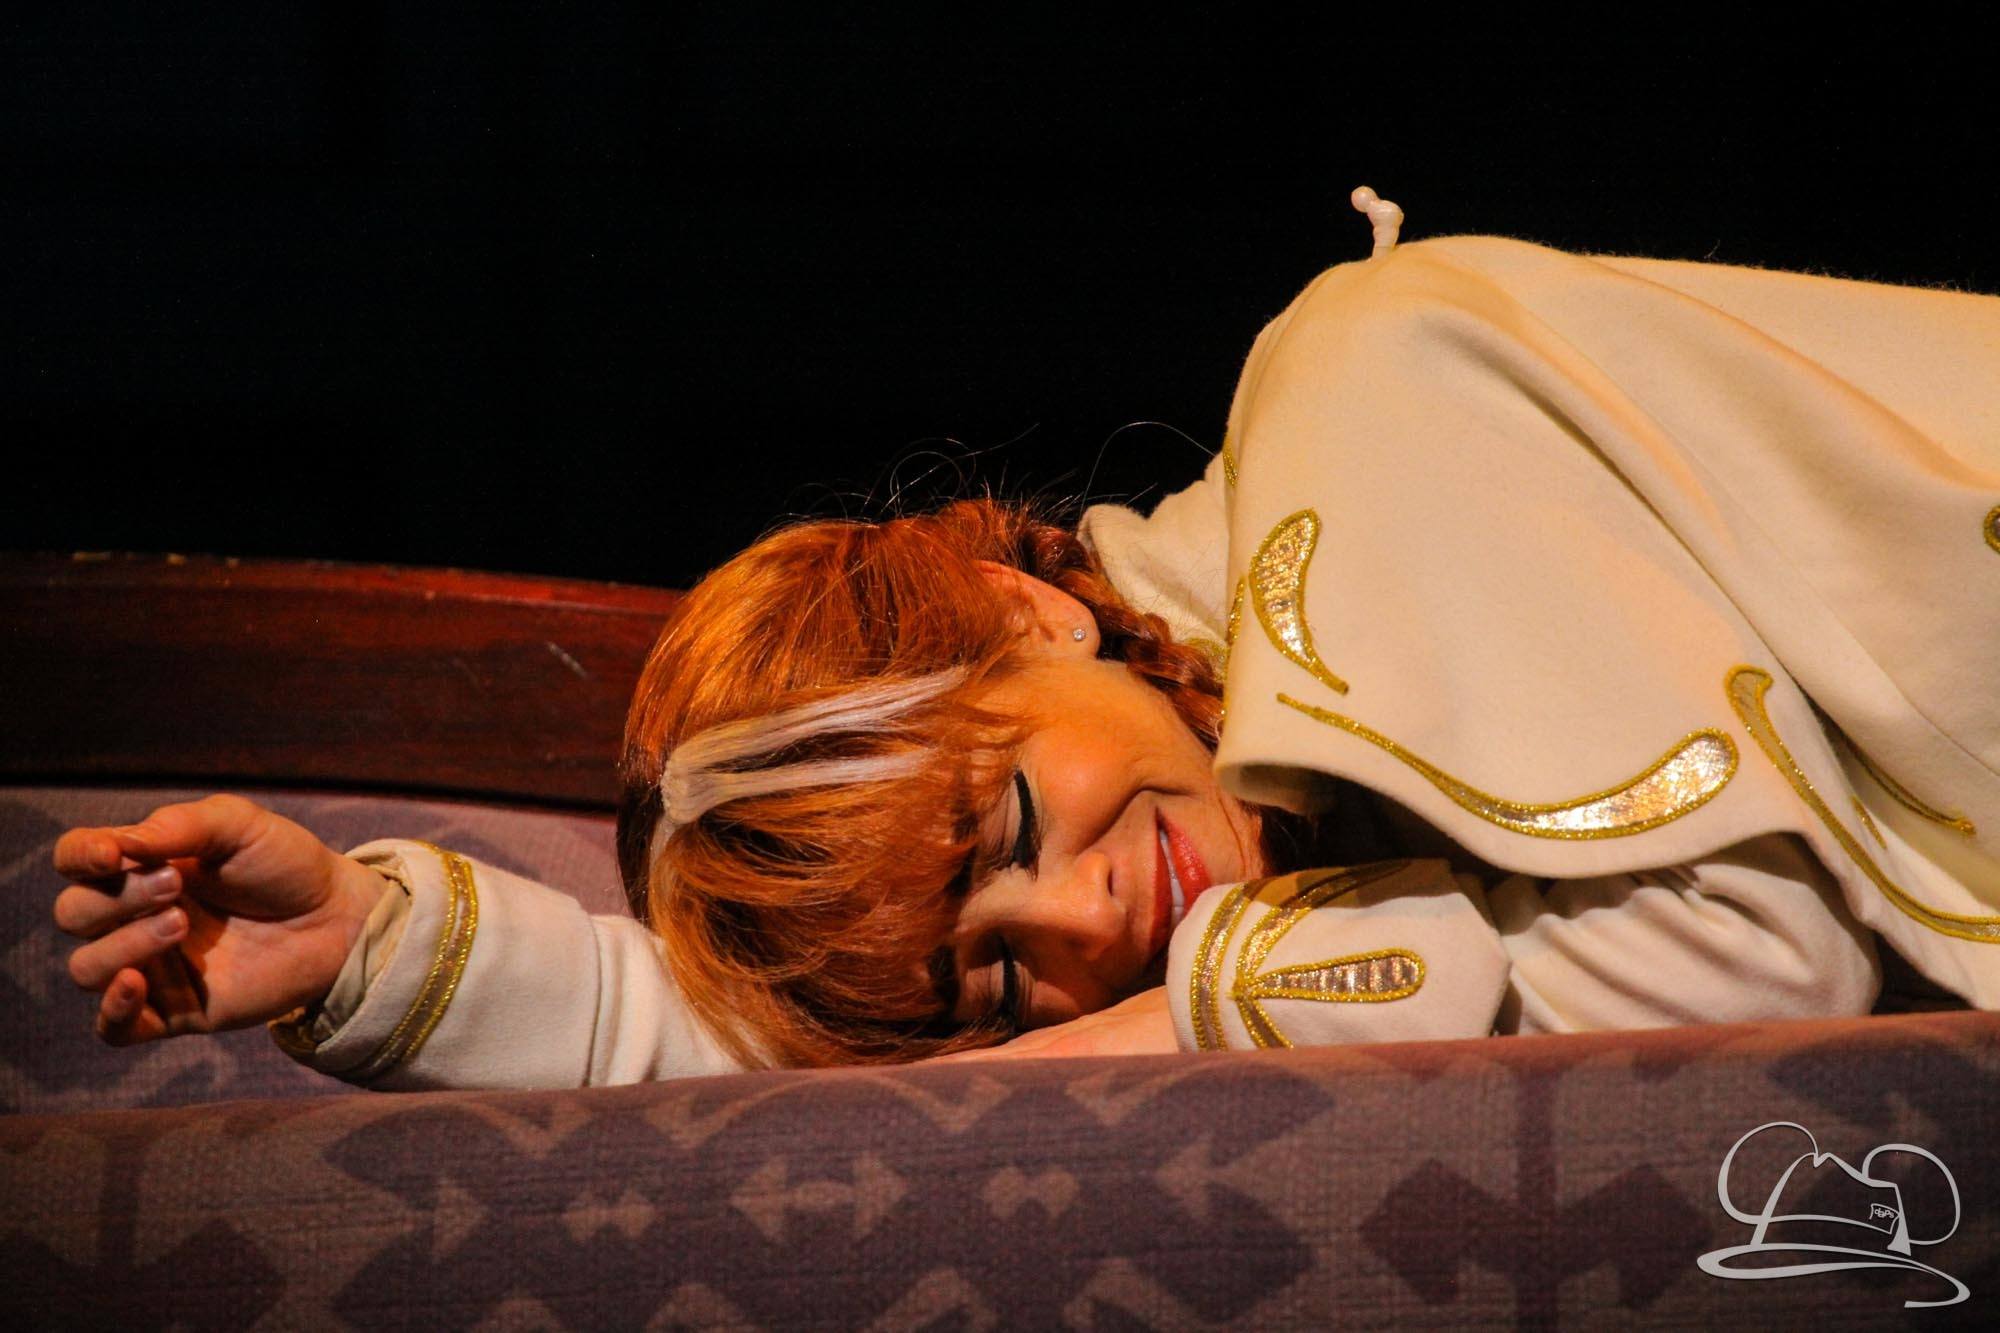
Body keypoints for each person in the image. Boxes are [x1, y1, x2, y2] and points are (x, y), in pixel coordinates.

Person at [52, 194, 2000, 1086]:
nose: (1080, 931)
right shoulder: (1257, 811)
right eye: (995, 980)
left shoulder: (1370, 387)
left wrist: (1197, 1006)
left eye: (1000, 821)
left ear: (1022, 605)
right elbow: (852, 1087)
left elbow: (1739, 956)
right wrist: (389, 948)